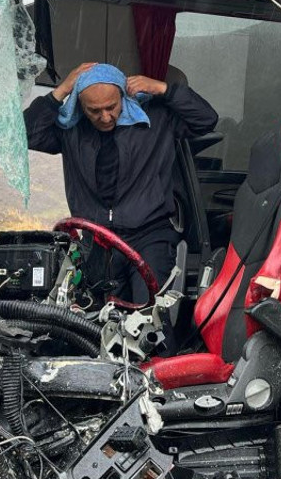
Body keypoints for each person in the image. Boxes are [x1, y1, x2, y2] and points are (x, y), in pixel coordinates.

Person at [24, 62, 219, 302]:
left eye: (111, 107)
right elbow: (27, 133)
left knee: (150, 318)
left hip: (149, 235)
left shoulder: (154, 118)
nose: (105, 117)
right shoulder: (71, 130)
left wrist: (163, 89)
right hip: (97, 241)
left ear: (123, 97)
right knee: (97, 321)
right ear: (80, 106)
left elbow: (207, 119)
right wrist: (61, 91)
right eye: (94, 110)